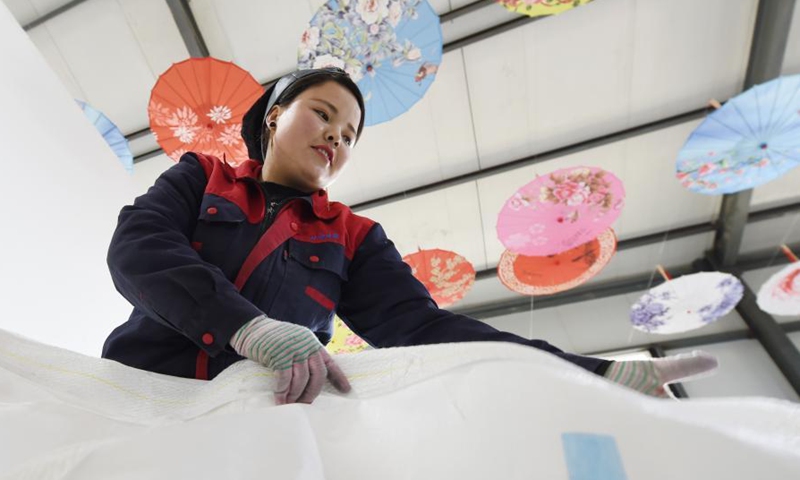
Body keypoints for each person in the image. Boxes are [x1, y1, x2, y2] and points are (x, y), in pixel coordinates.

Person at [103, 67, 717, 405]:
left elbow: (428, 330)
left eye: (349, 135)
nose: (336, 138)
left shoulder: (354, 236)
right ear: (273, 117)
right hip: (139, 395)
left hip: (262, 421)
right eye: (323, 113)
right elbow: (140, 248)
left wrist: (591, 371)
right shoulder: (200, 177)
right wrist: (250, 328)